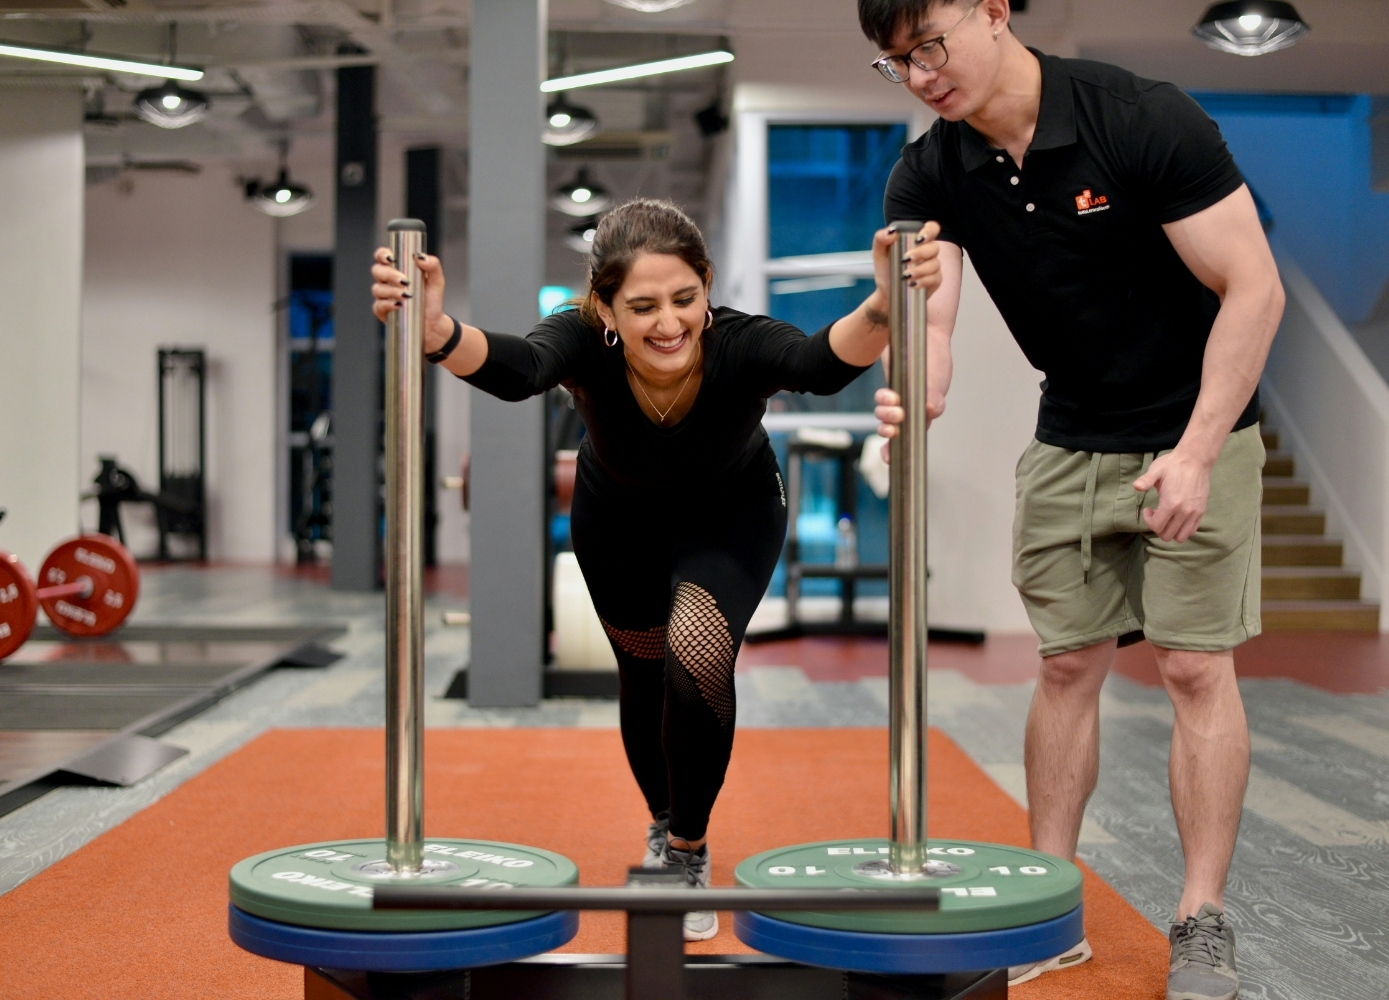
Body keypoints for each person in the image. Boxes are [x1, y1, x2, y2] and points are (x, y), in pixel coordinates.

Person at [858, 1, 1284, 996]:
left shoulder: (1138, 118)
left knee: (1192, 666)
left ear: (993, 12)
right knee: (1064, 665)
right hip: (1070, 432)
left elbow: (1254, 289)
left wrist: (1194, 452)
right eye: (896, 63)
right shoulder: (928, 172)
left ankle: (1201, 917)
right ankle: (1046, 907)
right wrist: (917, 389)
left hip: (1196, 426)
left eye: (930, 46)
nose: (920, 76)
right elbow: (933, 323)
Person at [371, 198, 942, 941]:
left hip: (731, 515)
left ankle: (686, 851)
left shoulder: (738, 341)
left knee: (696, 655)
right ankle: (665, 818)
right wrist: (438, 332)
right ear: (604, 307)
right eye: (642, 307)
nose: (669, 323)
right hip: (618, 521)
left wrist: (882, 305)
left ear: (706, 288)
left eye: (684, 298)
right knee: (644, 672)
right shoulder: (580, 337)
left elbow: (818, 364)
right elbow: (523, 369)